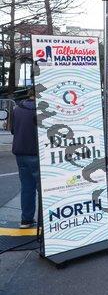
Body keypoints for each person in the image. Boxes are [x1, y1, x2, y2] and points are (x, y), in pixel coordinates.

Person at [11, 89, 39, 228]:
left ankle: (26, 219)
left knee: (27, 187)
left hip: (20, 152)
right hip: (37, 153)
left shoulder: (17, 109)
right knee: (43, 189)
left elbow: (13, 130)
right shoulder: (41, 110)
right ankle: (45, 221)